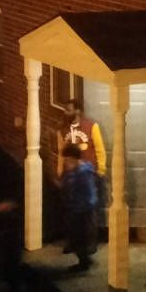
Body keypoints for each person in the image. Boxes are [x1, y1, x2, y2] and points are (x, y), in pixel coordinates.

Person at [57, 98, 108, 236]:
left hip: (88, 175)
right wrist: (60, 171)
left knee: (90, 210)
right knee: (71, 210)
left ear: (78, 111)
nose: (65, 112)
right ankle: (74, 240)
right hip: (70, 176)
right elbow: (61, 153)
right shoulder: (62, 130)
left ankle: (90, 241)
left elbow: (100, 149)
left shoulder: (91, 126)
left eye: (69, 110)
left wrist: (101, 170)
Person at [59, 143, 98, 272]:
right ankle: (84, 258)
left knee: (80, 237)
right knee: (78, 237)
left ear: (74, 159)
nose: (66, 163)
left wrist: (80, 207)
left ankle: (84, 263)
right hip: (76, 209)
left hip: (82, 211)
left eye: (67, 160)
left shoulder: (83, 173)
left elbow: (88, 194)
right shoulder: (74, 172)